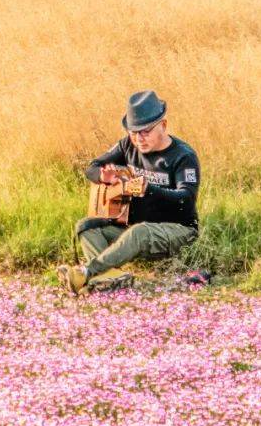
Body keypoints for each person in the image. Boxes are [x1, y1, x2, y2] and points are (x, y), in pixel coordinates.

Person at [57, 90, 200, 294]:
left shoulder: (184, 156)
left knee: (139, 231)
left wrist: (150, 190)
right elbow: (92, 167)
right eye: (134, 132)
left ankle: (87, 272)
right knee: (85, 226)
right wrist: (104, 176)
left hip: (179, 230)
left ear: (164, 125)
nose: (139, 138)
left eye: (146, 131)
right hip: (134, 230)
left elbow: (186, 200)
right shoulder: (127, 145)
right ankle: (111, 277)